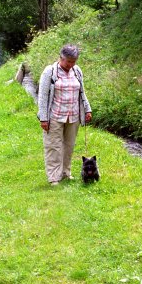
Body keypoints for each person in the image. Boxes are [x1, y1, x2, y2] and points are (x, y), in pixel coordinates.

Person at [37, 44, 92, 185]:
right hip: (55, 115)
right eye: (68, 61)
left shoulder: (77, 71)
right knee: (53, 146)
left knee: (69, 146)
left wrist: (87, 109)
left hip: (73, 115)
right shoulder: (50, 72)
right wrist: (43, 118)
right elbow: (42, 97)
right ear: (61, 58)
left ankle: (65, 173)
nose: (70, 64)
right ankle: (54, 178)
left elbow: (82, 92)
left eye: (73, 61)